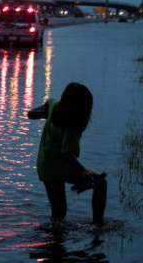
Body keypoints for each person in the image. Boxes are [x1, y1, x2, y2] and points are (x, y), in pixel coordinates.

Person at [28, 82, 106, 226]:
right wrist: (84, 171)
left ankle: (53, 237)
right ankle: (98, 225)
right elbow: (66, 155)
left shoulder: (55, 106)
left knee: (59, 211)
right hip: (58, 166)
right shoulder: (72, 128)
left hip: (46, 165)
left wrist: (43, 113)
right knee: (100, 183)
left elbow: (31, 114)